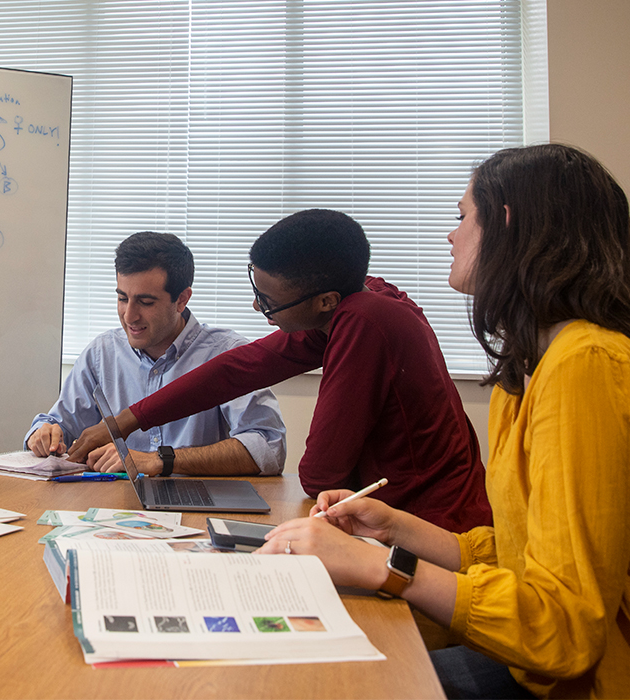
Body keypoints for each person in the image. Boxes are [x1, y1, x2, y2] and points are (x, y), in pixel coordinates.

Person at [260, 144, 630, 698]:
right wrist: (393, 528)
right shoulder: (525, 369)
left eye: (462, 217)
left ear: (506, 223)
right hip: (526, 667)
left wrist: (385, 568)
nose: (450, 235)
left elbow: (564, 628)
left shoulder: (586, 364)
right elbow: (515, 553)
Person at [70, 210, 491, 532]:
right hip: (396, 517)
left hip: (431, 525)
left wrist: (155, 452)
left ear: (324, 300)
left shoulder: (364, 322)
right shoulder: (357, 298)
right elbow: (235, 370)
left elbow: (318, 473)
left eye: (269, 301)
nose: (259, 307)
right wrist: (122, 422)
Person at [26, 231, 286, 476]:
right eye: (122, 298)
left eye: (145, 302)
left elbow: (269, 448)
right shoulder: (101, 353)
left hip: (193, 506)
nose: (129, 316)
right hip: (112, 503)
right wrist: (44, 434)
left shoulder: (226, 352)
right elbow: (60, 425)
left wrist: (160, 460)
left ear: (182, 299)